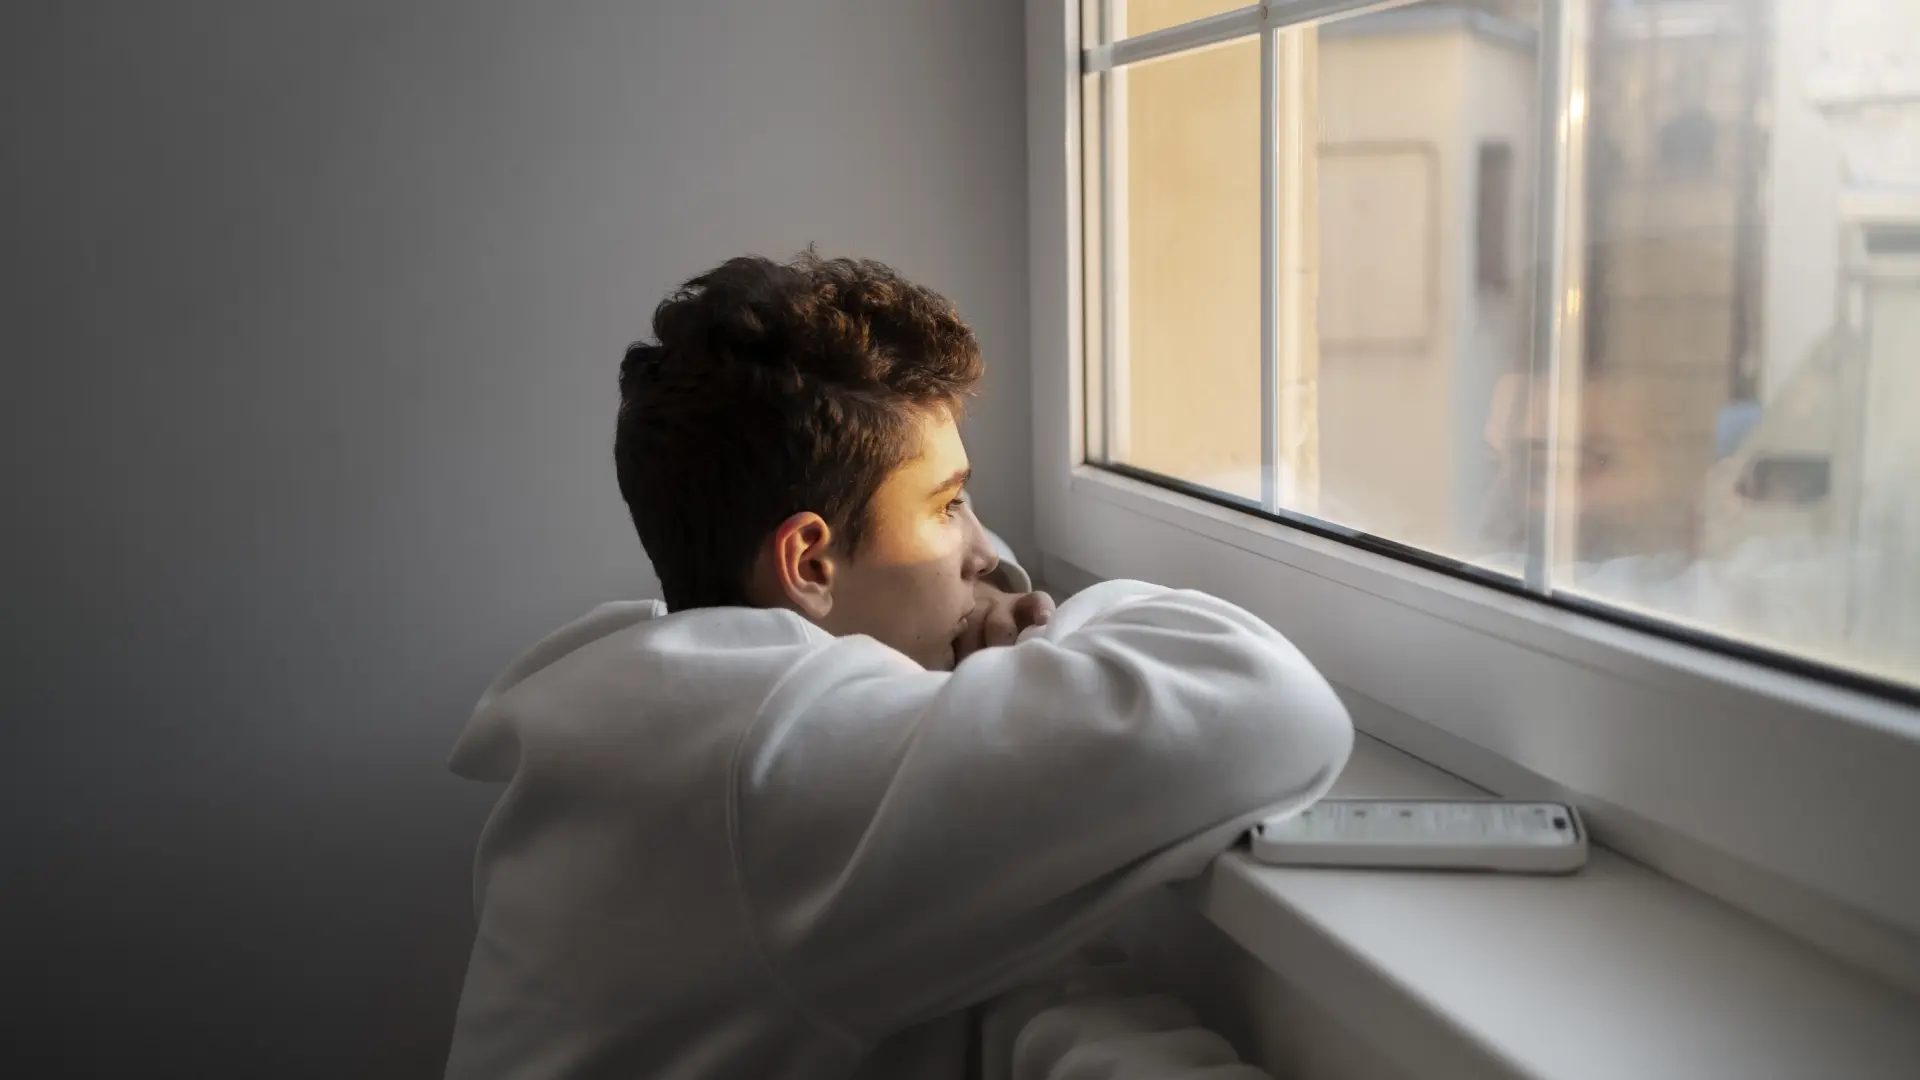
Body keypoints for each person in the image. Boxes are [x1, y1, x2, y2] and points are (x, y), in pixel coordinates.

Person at [442, 253, 1353, 1078]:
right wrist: (1049, 624)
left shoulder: (651, 696)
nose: (986, 553)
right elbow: (1269, 706)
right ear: (809, 564)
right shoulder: (776, 756)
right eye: (948, 506)